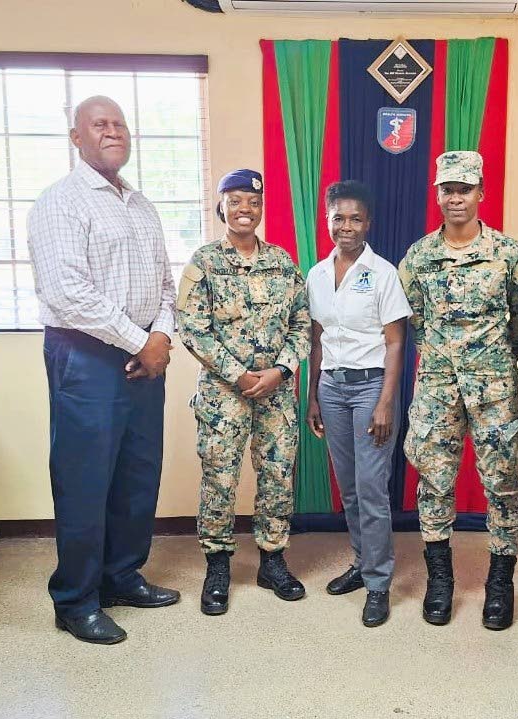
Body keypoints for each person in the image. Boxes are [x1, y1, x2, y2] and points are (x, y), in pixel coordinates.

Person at [27, 95, 180, 645]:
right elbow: (68, 294)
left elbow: (166, 283)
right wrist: (143, 340)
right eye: (99, 124)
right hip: (86, 355)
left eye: (119, 123)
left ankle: (121, 576)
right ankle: (75, 599)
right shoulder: (60, 203)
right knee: (85, 482)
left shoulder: (141, 205)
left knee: (138, 474)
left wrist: (160, 337)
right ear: (76, 137)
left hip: (145, 353)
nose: (112, 131)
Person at [398, 151, 518, 630]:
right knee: (434, 482)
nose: (455, 197)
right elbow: (416, 318)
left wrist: (491, 362)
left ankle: (500, 582)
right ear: (437, 195)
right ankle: (441, 580)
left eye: (464, 188)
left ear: (481, 193)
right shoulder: (417, 257)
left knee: (502, 483)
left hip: (495, 387)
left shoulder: (511, 256)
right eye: (447, 189)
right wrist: (447, 359)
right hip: (437, 388)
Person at [177, 169, 310, 615]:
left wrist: (281, 370)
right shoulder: (205, 262)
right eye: (235, 201)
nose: (244, 210)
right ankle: (217, 566)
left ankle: (272, 560)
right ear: (221, 207)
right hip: (223, 395)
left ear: (260, 208)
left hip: (275, 391)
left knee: (277, 475)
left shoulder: (282, 261)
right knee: (220, 478)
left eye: (252, 202)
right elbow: (192, 328)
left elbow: (301, 323)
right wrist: (238, 374)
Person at [306, 180, 411, 628]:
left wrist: (387, 402)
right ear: (327, 220)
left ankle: (378, 583)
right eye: (338, 218)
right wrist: (311, 394)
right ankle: (360, 561)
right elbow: (316, 339)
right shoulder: (315, 274)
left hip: (371, 388)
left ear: (368, 223)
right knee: (347, 486)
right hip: (331, 387)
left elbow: (395, 342)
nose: (346, 226)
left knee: (371, 487)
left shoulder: (383, 273)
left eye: (355, 218)